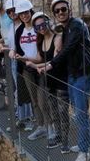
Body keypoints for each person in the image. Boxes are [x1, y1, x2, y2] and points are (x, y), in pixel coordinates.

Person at [39, 0, 90, 161]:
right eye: (57, 11)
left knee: (80, 113)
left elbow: (68, 49)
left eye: (63, 9)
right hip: (74, 76)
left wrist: (52, 64)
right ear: (54, 14)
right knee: (79, 111)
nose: (60, 12)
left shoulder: (77, 25)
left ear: (69, 10)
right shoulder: (66, 29)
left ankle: (84, 150)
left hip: (81, 76)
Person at [27, 12, 70, 151]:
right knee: (54, 110)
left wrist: (36, 66)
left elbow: (55, 61)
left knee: (63, 111)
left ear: (48, 22)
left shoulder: (58, 38)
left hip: (60, 79)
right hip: (49, 80)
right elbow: (40, 58)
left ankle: (65, 141)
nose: (41, 28)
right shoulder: (40, 41)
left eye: (43, 24)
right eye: (37, 27)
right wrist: (23, 58)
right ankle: (58, 136)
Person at [11, 0, 48, 140]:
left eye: (26, 12)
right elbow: (18, 47)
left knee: (43, 99)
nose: (24, 15)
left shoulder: (38, 27)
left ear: (30, 11)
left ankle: (50, 126)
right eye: (21, 13)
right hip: (27, 69)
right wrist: (14, 52)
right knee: (34, 99)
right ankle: (41, 126)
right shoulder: (19, 30)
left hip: (41, 67)